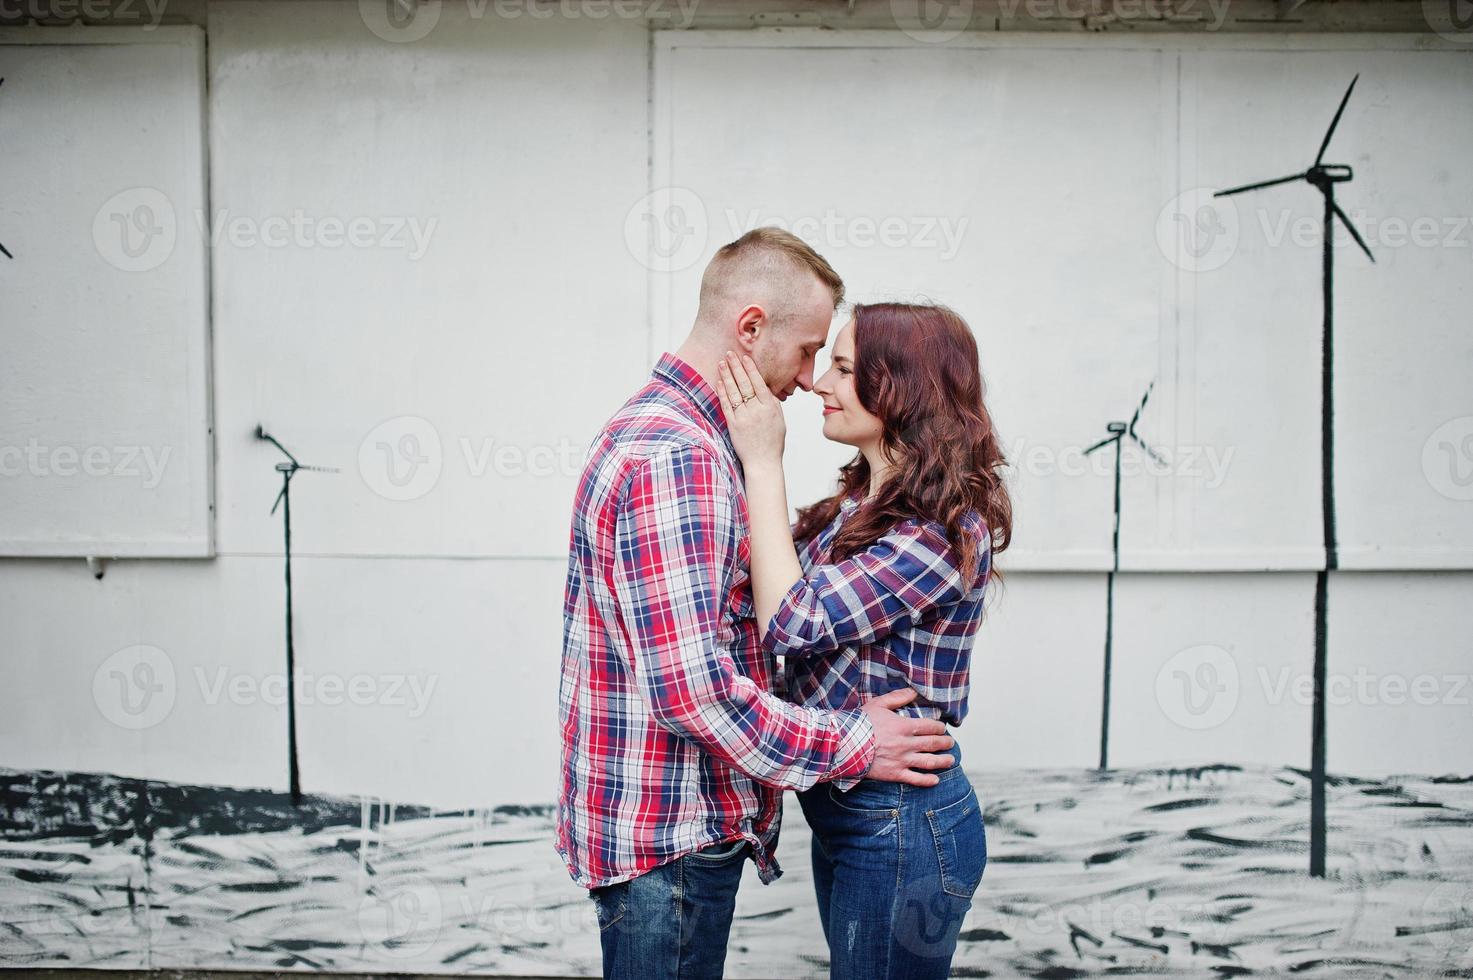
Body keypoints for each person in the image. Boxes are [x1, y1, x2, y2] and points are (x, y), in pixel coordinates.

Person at [557, 229, 959, 980]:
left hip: (666, 833)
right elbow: (692, 696)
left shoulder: (680, 442)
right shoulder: (678, 458)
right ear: (749, 328)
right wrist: (854, 744)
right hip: (668, 839)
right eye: (810, 351)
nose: (811, 379)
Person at [714, 300, 1012, 979]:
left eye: (844, 369)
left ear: (903, 387)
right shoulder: (856, 506)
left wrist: (763, 461)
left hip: (901, 822)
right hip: (853, 807)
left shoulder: (942, 531)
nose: (820, 383)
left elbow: (788, 621)